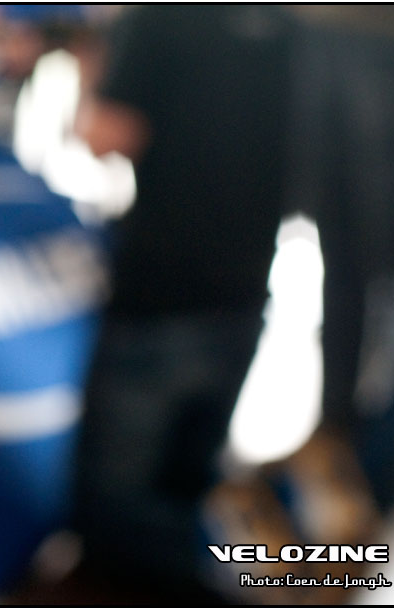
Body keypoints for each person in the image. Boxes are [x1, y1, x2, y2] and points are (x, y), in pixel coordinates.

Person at [71, 6, 296, 602]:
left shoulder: (159, 17)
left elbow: (104, 137)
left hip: (159, 296)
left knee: (116, 514)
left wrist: (89, 69)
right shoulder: (288, 22)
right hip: (246, 291)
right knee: (186, 490)